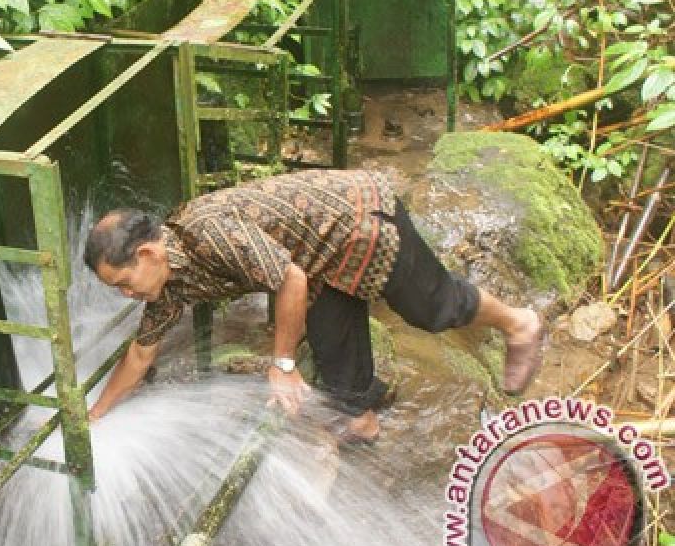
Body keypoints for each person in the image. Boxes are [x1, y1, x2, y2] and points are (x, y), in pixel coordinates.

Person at [83, 169, 544, 442]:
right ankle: (362, 421)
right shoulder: (168, 282)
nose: (126, 294)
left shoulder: (208, 232)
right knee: (330, 340)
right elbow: (141, 353)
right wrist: (97, 414)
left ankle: (517, 322)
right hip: (317, 257)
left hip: (358, 220)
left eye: (124, 283)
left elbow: (289, 278)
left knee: (432, 308)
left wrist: (282, 363)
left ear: (147, 254)